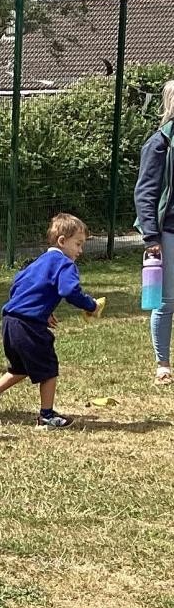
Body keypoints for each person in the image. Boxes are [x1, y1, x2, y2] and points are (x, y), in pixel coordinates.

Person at [0, 213, 104, 430]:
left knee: (20, 367)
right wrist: (90, 305)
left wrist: (42, 310)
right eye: (78, 244)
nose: (80, 251)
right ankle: (46, 416)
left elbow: (18, 286)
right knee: (48, 369)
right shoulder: (64, 263)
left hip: (10, 321)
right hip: (28, 326)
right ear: (62, 241)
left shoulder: (38, 262)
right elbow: (69, 290)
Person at [134, 79, 174, 386]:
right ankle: (163, 364)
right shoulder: (159, 143)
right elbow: (145, 192)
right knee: (166, 301)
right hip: (167, 232)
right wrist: (151, 237)